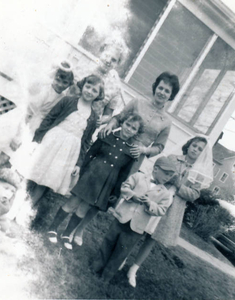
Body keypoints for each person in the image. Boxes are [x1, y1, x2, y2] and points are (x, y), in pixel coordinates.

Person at [72, 71, 180, 246]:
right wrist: (111, 125)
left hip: (132, 160)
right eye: (160, 88)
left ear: (170, 96)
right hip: (114, 148)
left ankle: (81, 229)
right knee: (94, 185)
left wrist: (145, 149)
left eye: (167, 91)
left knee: (106, 195)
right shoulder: (138, 102)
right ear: (155, 87)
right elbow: (119, 118)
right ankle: (72, 220)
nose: (162, 93)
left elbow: (159, 146)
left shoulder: (166, 121)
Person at [125, 135, 213, 287]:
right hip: (156, 197)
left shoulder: (198, 173)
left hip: (172, 207)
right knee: (137, 228)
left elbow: (193, 195)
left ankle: (133, 269)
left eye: (200, 149)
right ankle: (122, 258)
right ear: (189, 144)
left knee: (151, 237)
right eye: (194, 145)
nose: (195, 150)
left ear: (202, 154)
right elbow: (157, 174)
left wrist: (179, 185)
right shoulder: (173, 158)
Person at [47, 112, 144, 249]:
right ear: (122, 123)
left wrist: (115, 192)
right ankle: (53, 228)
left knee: (84, 208)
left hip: (106, 182)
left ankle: (66, 234)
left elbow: (123, 174)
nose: (129, 129)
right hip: (91, 174)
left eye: (133, 128)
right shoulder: (106, 136)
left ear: (136, 133)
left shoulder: (131, 152)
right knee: (72, 203)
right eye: (127, 124)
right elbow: (90, 153)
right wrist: (81, 169)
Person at [14, 74, 105, 204]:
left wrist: (78, 164)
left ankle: (26, 210)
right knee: (32, 171)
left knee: (47, 180)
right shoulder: (68, 101)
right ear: (82, 86)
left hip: (67, 152)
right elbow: (49, 119)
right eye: (88, 87)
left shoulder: (93, 118)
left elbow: (85, 142)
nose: (89, 91)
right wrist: (37, 140)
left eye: (94, 90)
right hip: (51, 141)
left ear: (99, 95)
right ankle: (14, 202)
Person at [0, 61, 74, 182]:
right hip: (25, 125)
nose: (60, 84)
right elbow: (27, 114)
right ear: (53, 78)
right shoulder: (45, 91)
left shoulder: (62, 97)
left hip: (37, 129)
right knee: (4, 157)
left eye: (65, 82)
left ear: (69, 84)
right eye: (58, 80)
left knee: (15, 162)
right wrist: (18, 136)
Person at [90, 157, 177, 282]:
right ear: (156, 168)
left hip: (137, 227)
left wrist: (150, 204)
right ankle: (95, 267)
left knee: (121, 252)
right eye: (166, 173)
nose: (168, 177)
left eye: (170, 175)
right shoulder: (138, 177)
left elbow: (161, 210)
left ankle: (106, 276)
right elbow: (125, 187)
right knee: (108, 242)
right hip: (121, 218)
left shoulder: (165, 193)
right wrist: (133, 196)